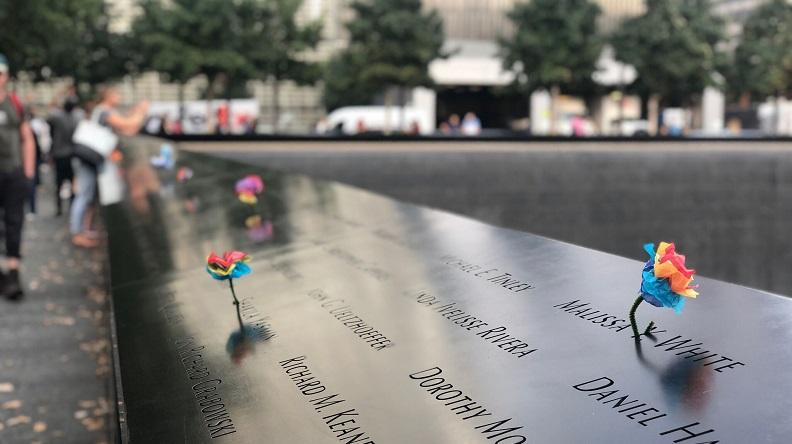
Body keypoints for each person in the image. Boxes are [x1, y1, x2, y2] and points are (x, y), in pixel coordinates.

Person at [69, 86, 148, 248]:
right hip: (91, 157)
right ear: (108, 95)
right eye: (117, 93)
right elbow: (127, 125)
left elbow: (130, 129)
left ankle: (84, 230)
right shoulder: (105, 111)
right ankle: (77, 233)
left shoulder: (105, 111)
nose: (119, 96)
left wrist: (136, 114)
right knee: (84, 195)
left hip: (92, 157)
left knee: (89, 195)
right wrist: (140, 111)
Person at [0, 53, 36, 299]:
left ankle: (13, 272)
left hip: (12, 172)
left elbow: (27, 138)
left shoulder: (14, 102)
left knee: (14, 222)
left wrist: (29, 172)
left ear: (6, 76)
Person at [48, 96, 80, 216]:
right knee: (71, 183)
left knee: (59, 183)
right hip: (70, 154)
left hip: (60, 154)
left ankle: (59, 208)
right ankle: (71, 207)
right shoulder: (75, 119)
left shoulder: (57, 117)